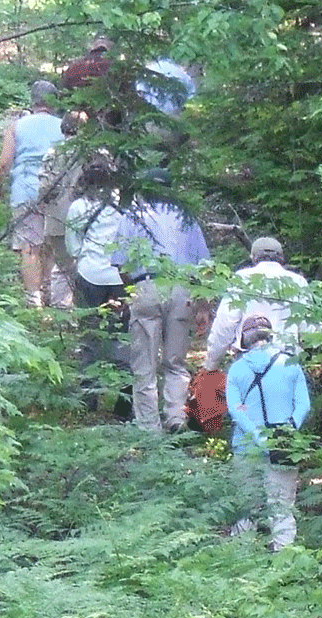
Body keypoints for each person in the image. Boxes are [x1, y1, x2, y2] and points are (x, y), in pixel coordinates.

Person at [111, 168, 211, 432]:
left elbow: (120, 263)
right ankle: (176, 418)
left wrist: (134, 289)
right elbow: (203, 266)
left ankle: (148, 427)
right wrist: (202, 306)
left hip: (145, 285)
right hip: (180, 288)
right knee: (175, 362)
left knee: (144, 364)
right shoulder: (186, 217)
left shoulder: (133, 216)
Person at [225, 314, 311, 550]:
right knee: (282, 506)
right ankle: (283, 558)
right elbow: (303, 405)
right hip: (284, 447)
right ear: (270, 336)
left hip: (245, 447)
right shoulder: (290, 364)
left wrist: (257, 436)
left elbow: (235, 409)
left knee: (246, 506)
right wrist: (287, 431)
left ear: (244, 339)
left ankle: (242, 555)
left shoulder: (237, 369)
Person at [0, 80, 65, 308]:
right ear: (54, 101)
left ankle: (34, 303)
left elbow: (4, 162)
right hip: (56, 192)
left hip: (25, 190)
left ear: (33, 101)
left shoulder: (17, 126)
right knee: (52, 246)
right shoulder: (64, 126)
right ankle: (52, 298)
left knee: (29, 248)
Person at [65, 159, 128, 410]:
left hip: (89, 276)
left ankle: (88, 400)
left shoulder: (78, 207)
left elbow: (73, 245)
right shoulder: (124, 207)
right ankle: (123, 403)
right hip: (120, 279)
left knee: (89, 338)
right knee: (122, 337)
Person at [203, 237, 318, 371]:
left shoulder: (242, 278)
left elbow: (225, 325)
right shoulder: (299, 282)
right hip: (287, 362)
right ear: (281, 258)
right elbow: (310, 331)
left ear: (253, 257)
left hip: (248, 361)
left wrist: (211, 363)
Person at [38, 110, 86, 310]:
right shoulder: (90, 153)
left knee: (62, 267)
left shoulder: (52, 153)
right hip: (84, 219)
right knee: (80, 266)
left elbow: (43, 188)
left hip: (56, 219)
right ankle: (80, 308)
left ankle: (62, 310)